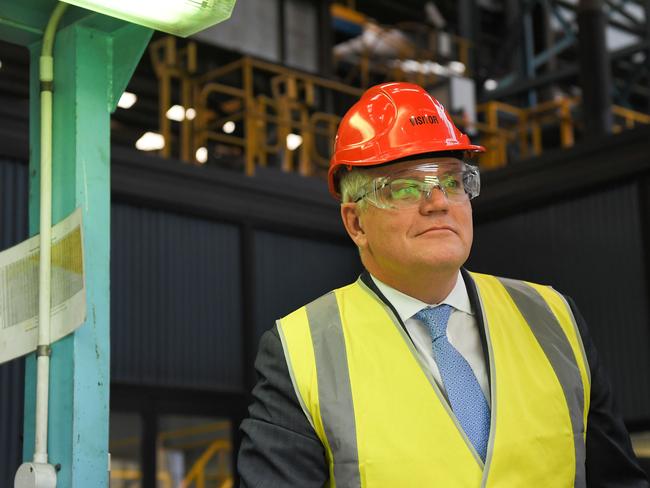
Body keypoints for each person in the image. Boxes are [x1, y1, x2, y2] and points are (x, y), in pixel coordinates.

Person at [238, 82, 648, 487]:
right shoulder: (301, 349)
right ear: (356, 222)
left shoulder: (554, 318)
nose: (437, 202)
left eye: (452, 182)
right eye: (405, 186)